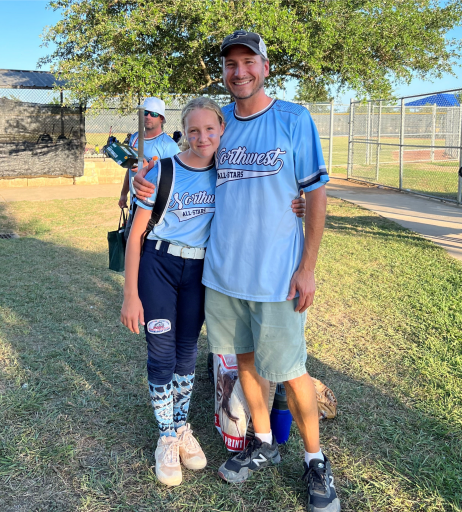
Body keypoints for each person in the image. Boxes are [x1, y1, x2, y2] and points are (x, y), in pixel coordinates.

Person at [134, 29, 337, 512]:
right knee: (243, 362)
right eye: (231, 64)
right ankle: (263, 442)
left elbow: (315, 194)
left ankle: (315, 461)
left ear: (265, 67)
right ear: (223, 73)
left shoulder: (293, 118)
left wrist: (307, 268)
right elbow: (184, 163)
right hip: (222, 277)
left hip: (276, 277)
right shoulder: (221, 126)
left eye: (249, 62)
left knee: (290, 371)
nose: (240, 71)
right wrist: (143, 181)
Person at [122, 97, 306, 487]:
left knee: (188, 350)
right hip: (159, 264)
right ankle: (166, 437)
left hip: (201, 269)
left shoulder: (228, 172)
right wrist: (130, 295)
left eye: (210, 129)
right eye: (193, 130)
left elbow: (263, 191)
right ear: (182, 134)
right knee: (161, 350)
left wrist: (297, 202)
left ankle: (182, 427)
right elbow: (137, 234)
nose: (202, 137)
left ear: (222, 130)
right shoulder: (162, 171)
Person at [117, 97, 180, 209]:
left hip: (154, 208)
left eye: (153, 114)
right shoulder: (135, 138)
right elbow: (129, 169)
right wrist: (123, 194)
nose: (148, 116)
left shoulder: (169, 146)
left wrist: (147, 168)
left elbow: (177, 178)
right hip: (134, 204)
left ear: (161, 118)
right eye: (145, 113)